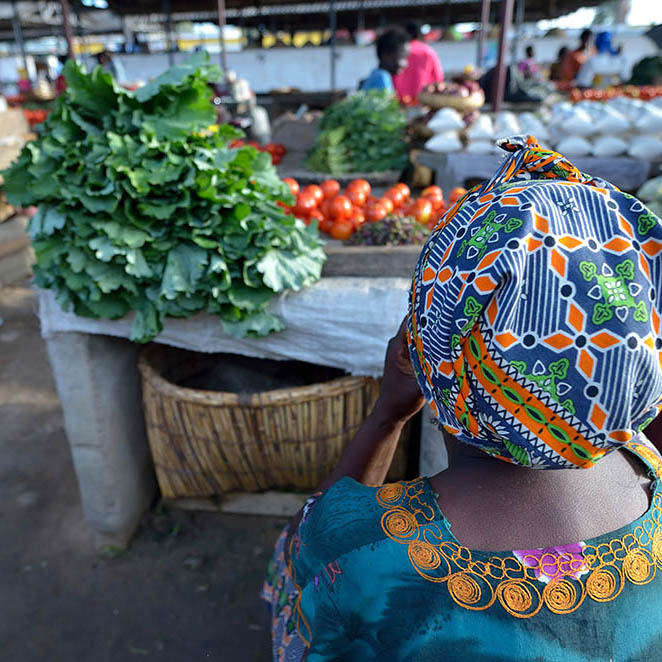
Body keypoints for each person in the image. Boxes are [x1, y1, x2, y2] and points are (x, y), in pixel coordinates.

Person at [264, 134, 662, 661]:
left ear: (429, 351)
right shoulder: (649, 470)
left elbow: (299, 563)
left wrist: (386, 417)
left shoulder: (367, 554)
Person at [393, 22, 444, 101]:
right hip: (423, 101)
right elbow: (438, 79)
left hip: (400, 102)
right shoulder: (429, 51)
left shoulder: (400, 51)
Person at [359, 28, 410, 94]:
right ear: (386, 56)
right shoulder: (382, 78)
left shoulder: (377, 74)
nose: (406, 64)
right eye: (403, 57)